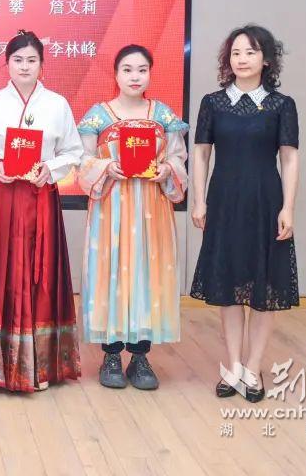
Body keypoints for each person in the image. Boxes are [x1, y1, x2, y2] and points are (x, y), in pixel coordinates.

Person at [0, 30, 83, 392]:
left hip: (40, 196)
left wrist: (51, 169)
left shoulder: (57, 104)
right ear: (7, 64)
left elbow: (73, 151)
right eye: (17, 60)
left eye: (31, 60)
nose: (25, 67)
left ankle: (39, 366)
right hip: (2, 197)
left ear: (42, 64)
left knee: (41, 274)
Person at [189, 24, 300, 402]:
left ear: (266, 59)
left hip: (266, 202)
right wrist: (199, 200)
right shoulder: (213, 103)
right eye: (236, 53)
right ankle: (234, 366)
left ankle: (253, 368)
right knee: (230, 287)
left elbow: (289, 158)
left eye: (250, 52)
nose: (242, 59)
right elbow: (201, 153)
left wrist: (288, 207)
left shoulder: (281, 105)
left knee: (265, 287)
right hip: (224, 202)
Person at [76, 45, 188, 390]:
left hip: (151, 209)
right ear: (116, 74)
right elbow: (81, 161)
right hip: (111, 208)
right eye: (127, 69)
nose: (135, 76)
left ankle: (140, 355)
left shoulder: (163, 115)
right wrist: (106, 167)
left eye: (142, 69)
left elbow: (178, 157)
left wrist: (168, 169)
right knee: (110, 274)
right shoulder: (98, 116)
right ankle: (111, 355)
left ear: (150, 73)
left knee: (146, 274)